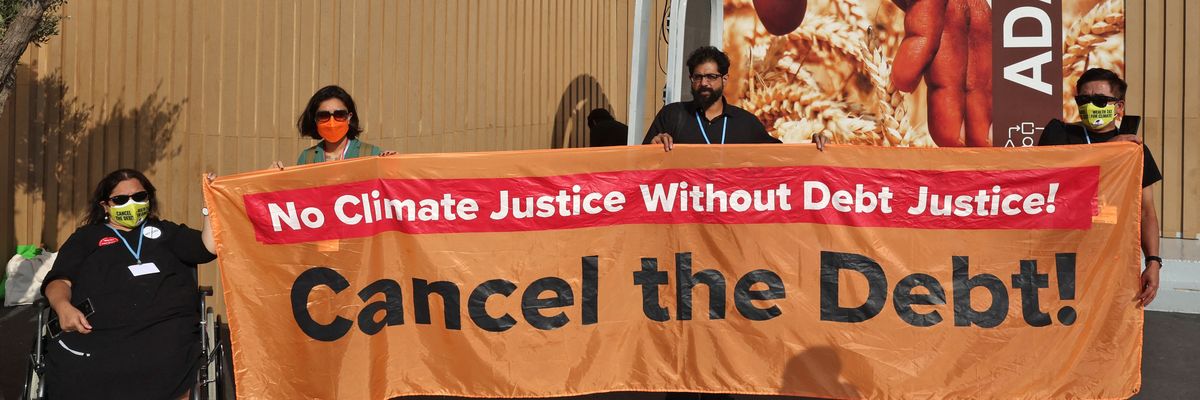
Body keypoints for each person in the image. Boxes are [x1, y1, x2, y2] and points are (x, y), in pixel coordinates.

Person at [39, 169, 217, 399]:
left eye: (139, 197)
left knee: (167, 357)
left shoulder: (166, 232)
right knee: (82, 367)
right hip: (100, 331)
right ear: (105, 206)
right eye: (121, 199)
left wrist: (210, 205)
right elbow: (58, 280)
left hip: (164, 329)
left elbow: (208, 248)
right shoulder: (86, 238)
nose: (131, 204)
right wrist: (62, 306)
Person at [1038, 68, 1161, 307]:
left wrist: (1153, 262)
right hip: (1060, 255)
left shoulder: (1133, 150)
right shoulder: (1059, 134)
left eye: (1100, 100)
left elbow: (1146, 211)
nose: (1091, 105)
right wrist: (1108, 151)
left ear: (1119, 107)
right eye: (1084, 100)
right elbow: (1048, 176)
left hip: (1112, 259)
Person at [644, 46, 826, 151]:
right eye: (697, 77)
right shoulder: (672, 115)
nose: (703, 83)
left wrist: (813, 148)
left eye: (711, 77)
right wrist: (653, 147)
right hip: (686, 206)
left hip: (733, 207)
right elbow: (640, 166)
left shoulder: (745, 122)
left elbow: (780, 159)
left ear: (724, 79)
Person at [270, 85, 394, 168]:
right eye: (323, 115)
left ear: (349, 117)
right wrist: (272, 179)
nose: (332, 121)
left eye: (339, 114)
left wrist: (396, 164)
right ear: (315, 120)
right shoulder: (307, 158)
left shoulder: (371, 154)